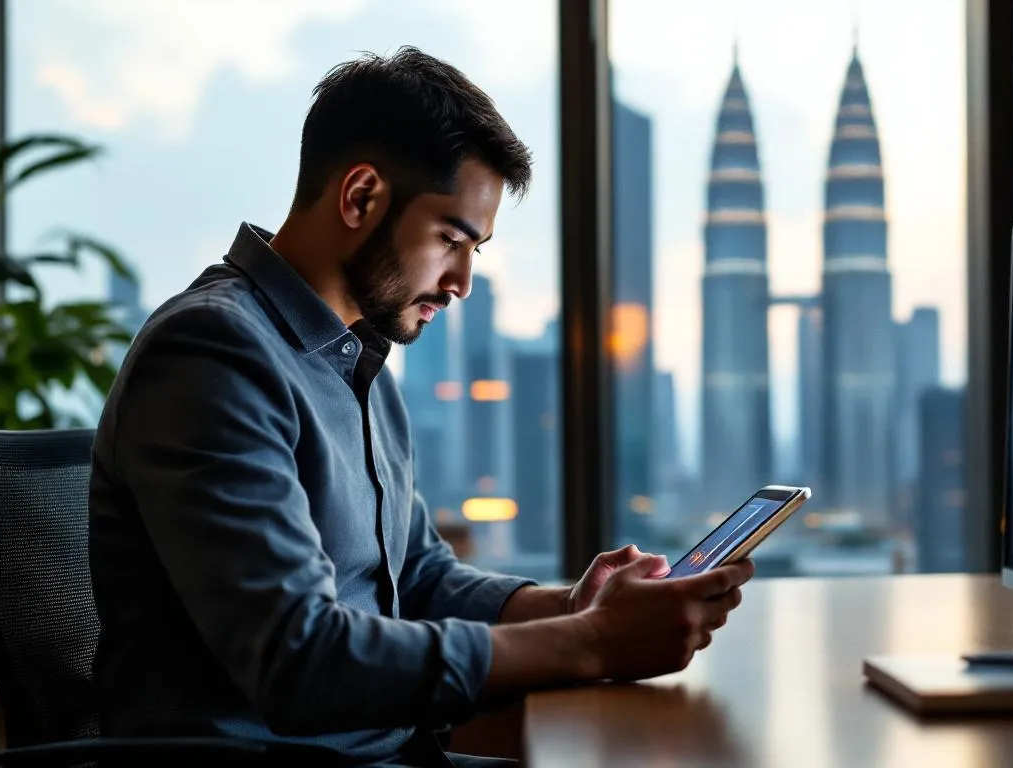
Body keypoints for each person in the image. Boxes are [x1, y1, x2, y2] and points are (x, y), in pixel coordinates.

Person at [87, 46, 753, 768]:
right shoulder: (213, 353)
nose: (461, 280)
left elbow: (419, 578)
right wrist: (592, 643)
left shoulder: (356, 361)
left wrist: (576, 609)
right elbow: (298, 659)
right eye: (449, 239)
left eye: (475, 250)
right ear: (360, 197)